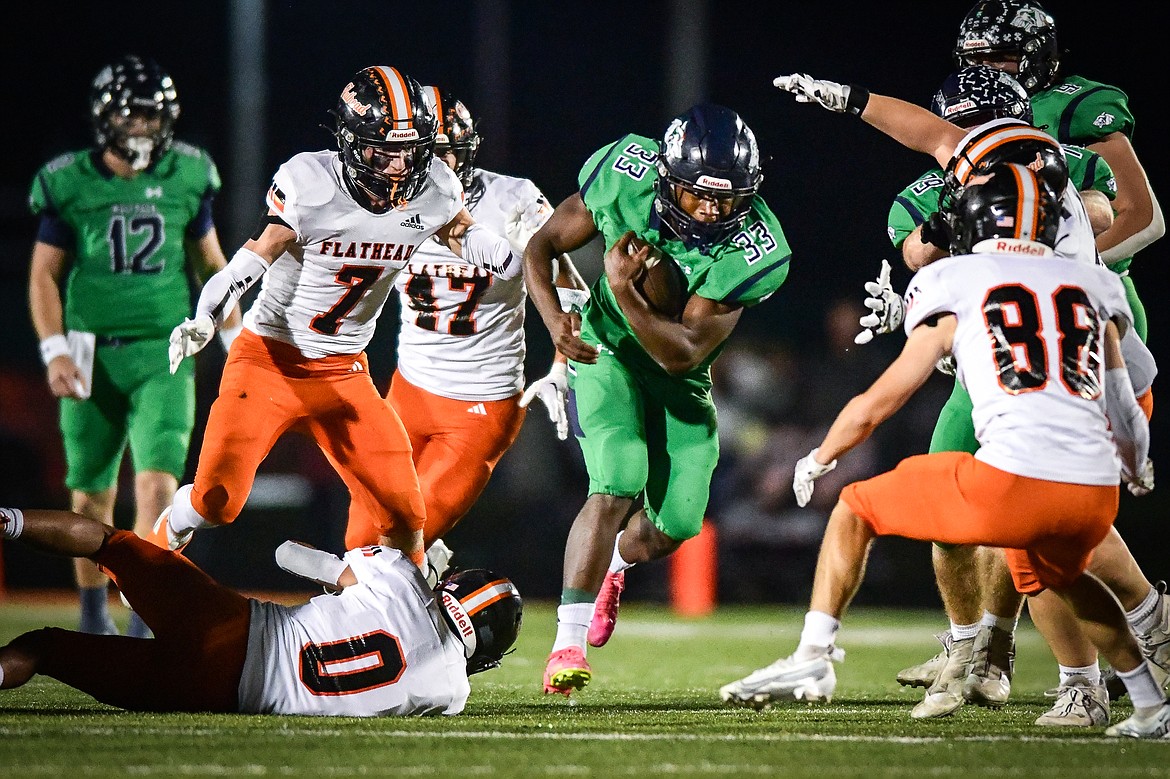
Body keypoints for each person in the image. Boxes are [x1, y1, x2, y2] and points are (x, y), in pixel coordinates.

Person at [718, 163, 1170, 739]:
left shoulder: (957, 279)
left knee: (855, 506)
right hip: (1094, 486)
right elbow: (1124, 406)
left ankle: (813, 655)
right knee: (1069, 576)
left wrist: (820, 455)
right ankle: (1151, 704)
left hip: (1015, 482)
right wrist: (1136, 466)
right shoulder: (1096, 282)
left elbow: (880, 400)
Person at [149, 66, 521, 569]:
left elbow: (460, 232)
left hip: (344, 371)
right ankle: (165, 531)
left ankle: (393, 623)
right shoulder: (312, 182)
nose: (396, 166)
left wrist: (516, 256)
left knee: (406, 516)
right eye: (382, 150)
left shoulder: (434, 187)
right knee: (216, 502)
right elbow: (256, 256)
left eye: (409, 152)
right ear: (350, 140)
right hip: (268, 362)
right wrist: (207, 317)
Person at [524, 104, 792, 695]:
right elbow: (540, 248)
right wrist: (557, 325)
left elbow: (684, 353)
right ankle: (566, 644)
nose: (713, 211)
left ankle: (615, 563)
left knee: (676, 525)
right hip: (607, 350)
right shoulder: (626, 172)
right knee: (618, 477)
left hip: (678, 372)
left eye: (727, 200)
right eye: (699, 196)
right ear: (667, 178)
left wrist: (624, 289)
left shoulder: (757, 249)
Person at [27, 55, 242, 638]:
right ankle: (95, 618)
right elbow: (45, 274)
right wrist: (54, 351)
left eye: (154, 117)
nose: (146, 128)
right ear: (107, 119)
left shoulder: (189, 173)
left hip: (162, 351)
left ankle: (148, 620)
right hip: (89, 350)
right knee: (91, 494)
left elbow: (212, 265)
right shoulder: (69, 179)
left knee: (157, 486)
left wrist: (236, 342)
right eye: (135, 116)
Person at [341, 87, 589, 581]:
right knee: (358, 541)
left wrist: (562, 366)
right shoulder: (379, 202)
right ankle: (408, 603)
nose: (438, 172)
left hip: (480, 406)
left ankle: (370, 634)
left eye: (447, 157)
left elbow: (572, 289)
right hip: (408, 391)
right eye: (426, 158)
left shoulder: (511, 200)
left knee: (394, 545)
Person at [0, 506, 521, 716]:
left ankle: (7, 522)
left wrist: (405, 569)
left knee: (110, 543)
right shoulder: (452, 693)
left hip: (232, 626)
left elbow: (289, 556)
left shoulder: (404, 580)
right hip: (220, 695)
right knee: (41, 649)